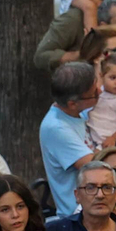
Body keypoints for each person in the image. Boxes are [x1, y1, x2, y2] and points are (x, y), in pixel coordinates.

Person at [40, 62, 99, 213]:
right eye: (95, 94)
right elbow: (95, 166)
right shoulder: (57, 128)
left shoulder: (79, 112)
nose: (100, 91)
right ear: (72, 103)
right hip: (78, 215)